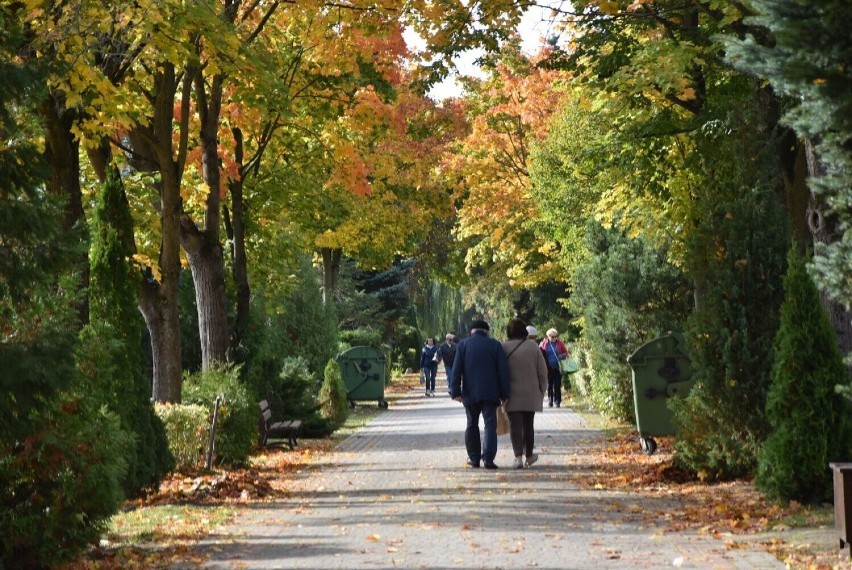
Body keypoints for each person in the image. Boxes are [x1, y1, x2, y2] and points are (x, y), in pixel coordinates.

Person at [450, 320, 510, 469]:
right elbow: (503, 371)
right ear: (486, 331)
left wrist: (455, 391)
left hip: (470, 393)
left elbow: (456, 370)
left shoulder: (463, 345)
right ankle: (488, 458)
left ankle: (474, 458)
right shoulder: (495, 345)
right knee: (490, 424)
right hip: (491, 392)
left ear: (471, 331)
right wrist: (504, 393)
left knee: (472, 424)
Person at [503, 319, 548, 468]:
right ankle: (529, 455)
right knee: (528, 425)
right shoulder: (533, 347)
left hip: (511, 394)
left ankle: (517, 457)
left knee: (515, 426)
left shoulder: (503, 347)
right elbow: (542, 371)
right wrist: (542, 390)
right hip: (531, 393)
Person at [539, 328, 569, 408]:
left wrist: (561, 356)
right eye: (552, 336)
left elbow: (566, 353)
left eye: (555, 336)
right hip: (548, 368)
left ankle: (557, 401)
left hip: (557, 367)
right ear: (548, 336)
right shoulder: (543, 344)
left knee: (557, 385)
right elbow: (539, 354)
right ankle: (550, 401)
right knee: (549, 385)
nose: (554, 338)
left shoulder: (559, 343)